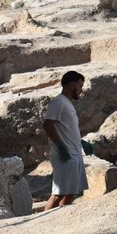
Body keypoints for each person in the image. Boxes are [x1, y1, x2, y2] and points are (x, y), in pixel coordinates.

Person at [43, 71, 89, 210]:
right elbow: (47, 124)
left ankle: (59, 219)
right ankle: (45, 222)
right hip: (65, 155)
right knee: (58, 193)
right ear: (71, 85)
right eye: (80, 86)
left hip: (74, 153)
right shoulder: (58, 102)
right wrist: (60, 146)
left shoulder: (67, 103)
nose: (81, 90)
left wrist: (84, 144)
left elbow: (68, 129)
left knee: (72, 192)